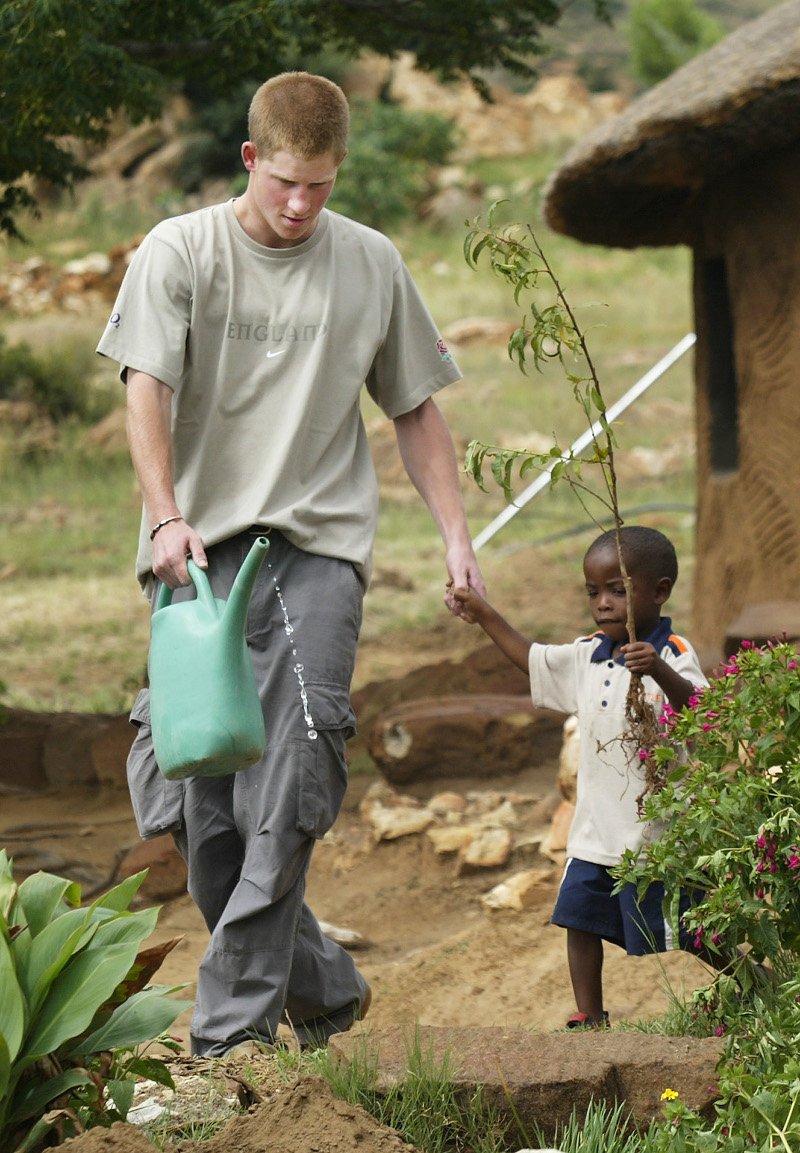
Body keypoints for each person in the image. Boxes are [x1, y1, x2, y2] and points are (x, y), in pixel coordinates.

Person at [97, 71, 485, 1057]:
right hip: (194, 555)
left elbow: (414, 407)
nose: (302, 204)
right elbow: (145, 389)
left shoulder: (370, 261)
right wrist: (164, 517)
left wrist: (455, 536)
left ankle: (228, 1037)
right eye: (284, 183)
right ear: (249, 160)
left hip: (316, 548)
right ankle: (322, 986)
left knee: (294, 768)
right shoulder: (180, 251)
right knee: (202, 801)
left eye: (320, 184)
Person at [452, 525, 708, 1029]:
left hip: (655, 837)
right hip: (594, 831)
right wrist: (483, 614)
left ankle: (755, 983)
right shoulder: (588, 654)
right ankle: (589, 1016)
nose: (603, 603)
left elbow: (703, 713)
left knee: (693, 930)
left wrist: (658, 671)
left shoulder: (673, 652)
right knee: (578, 916)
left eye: (617, 590)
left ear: (659, 591)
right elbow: (530, 657)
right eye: (593, 592)